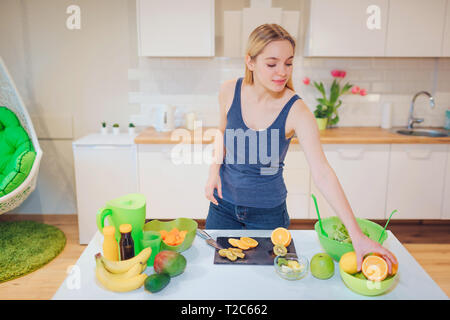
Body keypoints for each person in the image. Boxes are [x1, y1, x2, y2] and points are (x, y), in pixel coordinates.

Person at [204, 23, 397, 273]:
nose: (282, 72)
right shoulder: (229, 90)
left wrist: (356, 235)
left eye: (288, 63)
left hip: (268, 215)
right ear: (250, 62)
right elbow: (221, 132)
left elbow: (323, 173)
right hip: (222, 207)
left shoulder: (297, 110)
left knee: (269, 282)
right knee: (220, 278)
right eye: (272, 64)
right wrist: (212, 173)